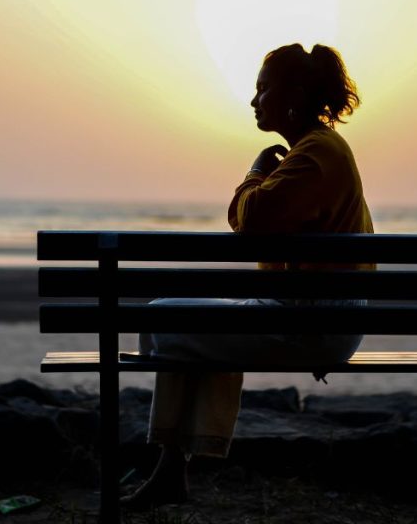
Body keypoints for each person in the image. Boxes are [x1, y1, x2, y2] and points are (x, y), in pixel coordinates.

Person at [120, 43, 375, 507]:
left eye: (263, 89)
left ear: (294, 95)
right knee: (183, 327)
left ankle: (170, 470)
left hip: (310, 325)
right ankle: (171, 471)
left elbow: (252, 223)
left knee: (163, 320)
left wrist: (255, 172)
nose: (254, 101)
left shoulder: (315, 155)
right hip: (319, 317)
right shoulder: (320, 151)